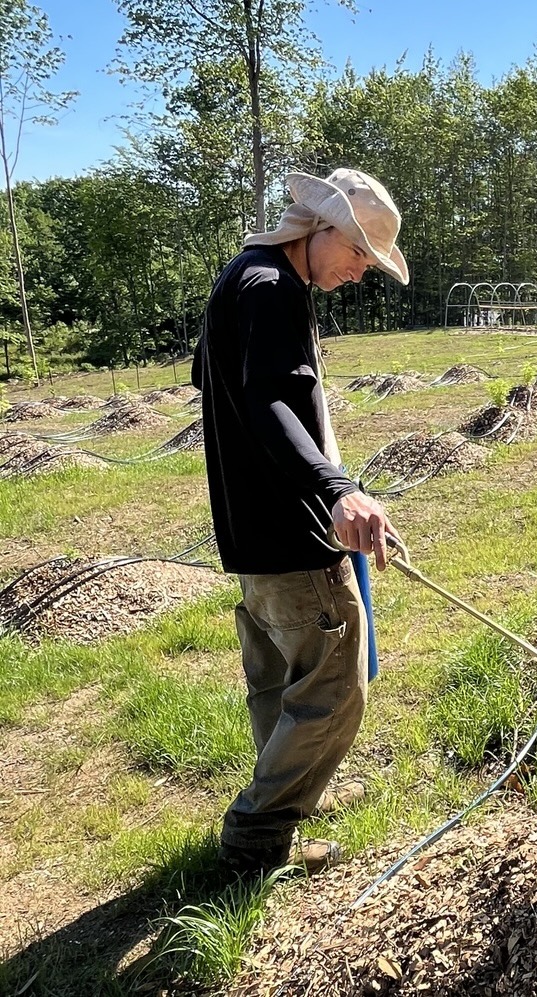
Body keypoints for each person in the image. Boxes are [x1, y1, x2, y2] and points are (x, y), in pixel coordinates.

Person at [191, 168, 410, 877]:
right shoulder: (271, 289)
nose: (358, 273)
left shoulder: (243, 276)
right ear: (322, 227)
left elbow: (221, 381)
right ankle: (257, 835)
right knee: (337, 690)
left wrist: (336, 481)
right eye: (358, 255)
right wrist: (337, 490)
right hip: (289, 537)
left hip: (250, 533)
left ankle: (283, 811)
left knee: (281, 685)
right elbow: (270, 405)